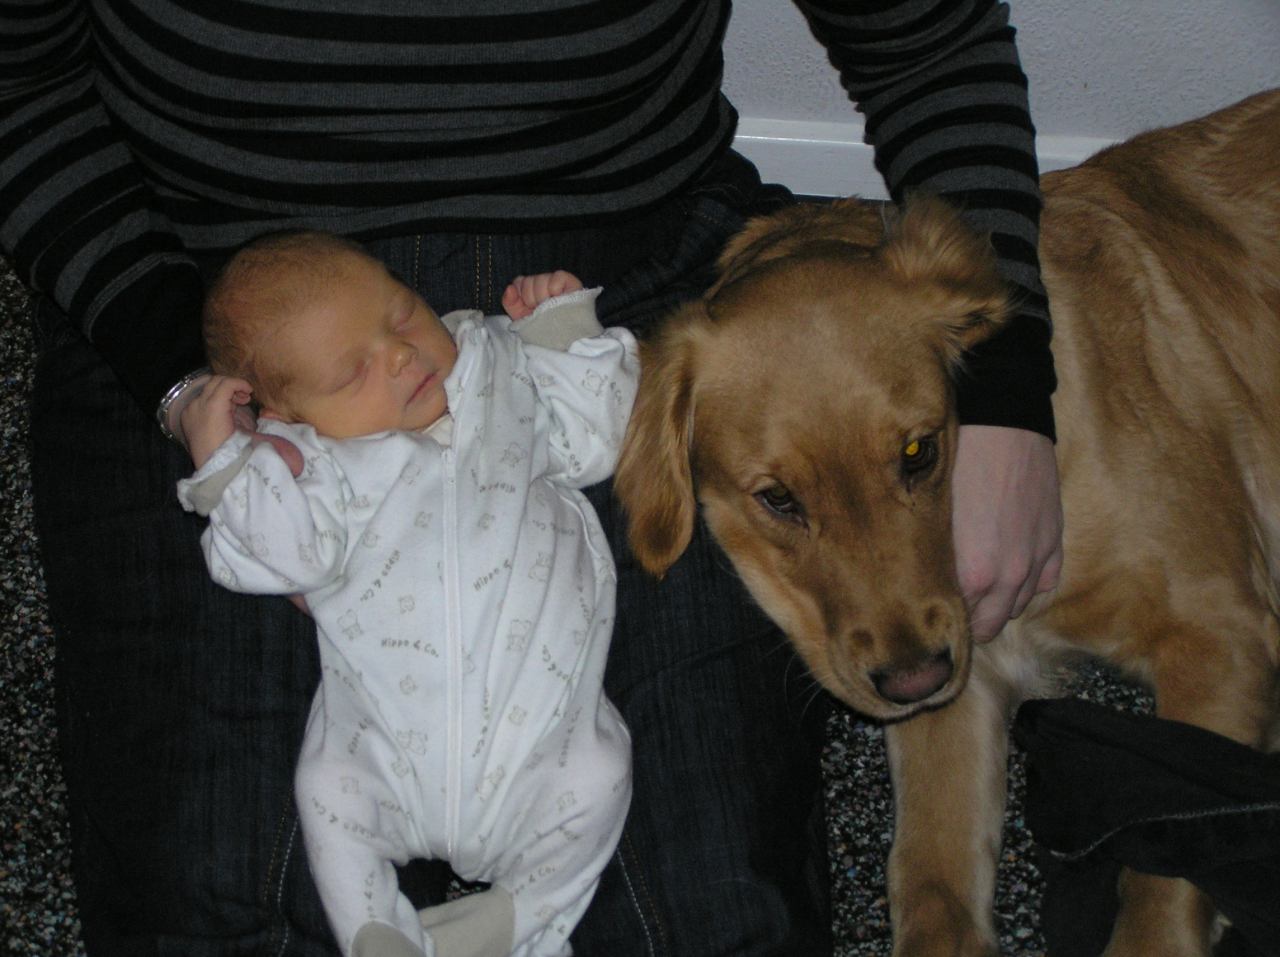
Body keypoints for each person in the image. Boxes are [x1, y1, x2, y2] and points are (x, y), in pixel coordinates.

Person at [1, 2, 1064, 954]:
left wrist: (1008, 398)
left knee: (703, 914)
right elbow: (20, 77)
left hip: (615, 298)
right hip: (226, 308)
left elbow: (927, 43)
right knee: (227, 900)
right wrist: (184, 381)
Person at [176, 231, 637, 957]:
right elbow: (272, 558)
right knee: (327, 790)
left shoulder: (501, 368)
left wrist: (562, 334)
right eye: (352, 372)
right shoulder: (318, 470)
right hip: (385, 751)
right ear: (290, 417)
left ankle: (516, 918)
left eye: (401, 315)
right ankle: (375, 931)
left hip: (541, 738)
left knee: (602, 775)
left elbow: (595, 441)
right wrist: (228, 469)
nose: (398, 354)